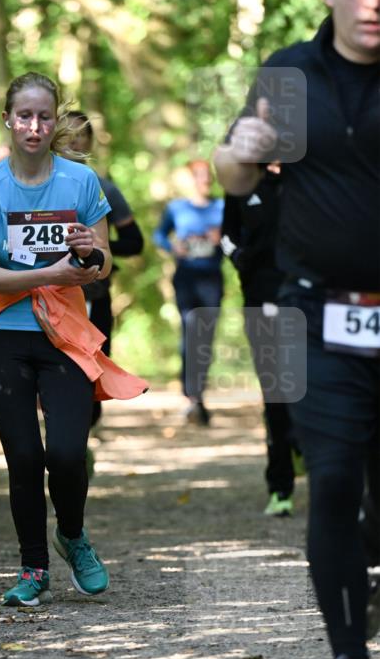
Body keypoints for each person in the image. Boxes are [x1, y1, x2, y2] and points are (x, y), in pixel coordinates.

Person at [214, 0, 380, 659]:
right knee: (335, 478)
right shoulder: (286, 72)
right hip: (319, 317)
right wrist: (238, 157)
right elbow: (234, 173)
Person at [0, 71, 148, 608]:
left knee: (65, 452)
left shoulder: (81, 183)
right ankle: (33, 567)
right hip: (5, 339)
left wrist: (87, 253)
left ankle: (74, 536)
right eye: (24, 116)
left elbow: (102, 265)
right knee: (23, 457)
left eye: (43, 116)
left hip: (64, 337)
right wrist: (48, 275)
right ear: (8, 122)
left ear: (55, 120)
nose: (34, 126)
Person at [221, 165, 300, 516]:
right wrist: (239, 258)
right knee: (276, 395)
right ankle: (280, 487)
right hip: (260, 297)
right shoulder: (241, 184)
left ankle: (305, 450)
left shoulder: (307, 178)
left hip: (306, 300)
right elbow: (225, 235)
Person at [63, 111, 145, 431]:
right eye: (66, 133)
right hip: (47, 294)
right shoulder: (34, 185)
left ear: (91, 142)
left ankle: (82, 436)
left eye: (82, 134)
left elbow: (134, 242)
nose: (74, 139)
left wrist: (97, 246)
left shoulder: (104, 187)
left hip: (94, 292)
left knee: (94, 365)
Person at [153, 160, 224, 425]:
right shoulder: (177, 208)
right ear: (192, 179)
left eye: (208, 176)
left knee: (205, 337)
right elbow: (159, 235)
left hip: (211, 279)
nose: (204, 180)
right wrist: (174, 247)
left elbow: (236, 237)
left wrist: (221, 238)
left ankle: (199, 392)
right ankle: (190, 396)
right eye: (200, 176)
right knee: (189, 332)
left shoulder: (222, 207)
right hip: (185, 279)